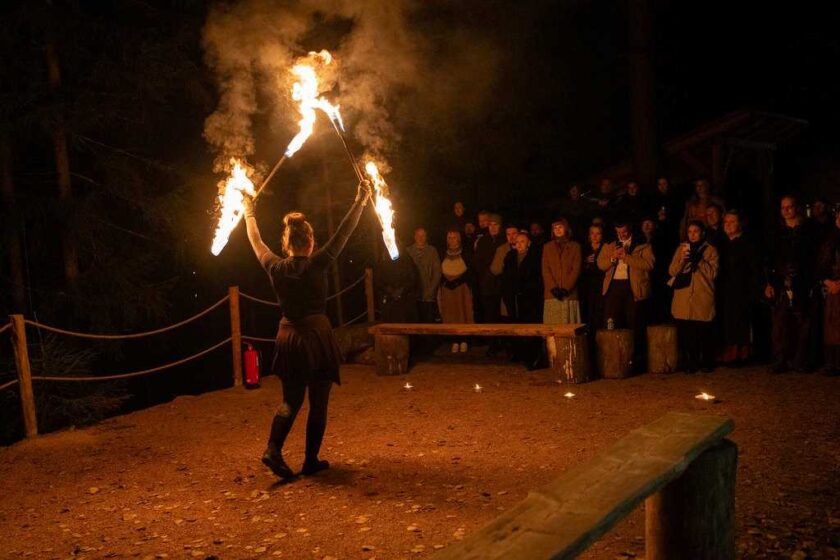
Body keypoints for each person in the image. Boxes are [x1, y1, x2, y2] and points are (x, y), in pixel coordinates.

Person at [242, 180, 372, 480]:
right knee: (319, 401)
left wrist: (248, 211)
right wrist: (360, 200)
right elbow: (344, 233)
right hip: (316, 337)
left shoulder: (275, 266)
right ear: (310, 241)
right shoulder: (318, 263)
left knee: (290, 400)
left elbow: (256, 241)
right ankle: (310, 460)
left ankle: (273, 449)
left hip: (288, 337)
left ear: (286, 243)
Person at [765, 196, 818, 373]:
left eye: (790, 207)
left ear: (797, 208)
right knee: (780, 322)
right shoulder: (777, 233)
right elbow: (770, 258)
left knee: (802, 322)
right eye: (783, 208)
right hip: (782, 281)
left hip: (803, 281)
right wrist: (771, 280)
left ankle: (800, 360)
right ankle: (781, 358)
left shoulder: (809, 230)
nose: (786, 210)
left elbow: (813, 257)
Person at [597, 221, 655, 371]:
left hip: (633, 287)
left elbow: (649, 265)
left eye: (624, 232)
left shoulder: (642, 244)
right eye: (618, 232)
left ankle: (634, 361)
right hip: (614, 286)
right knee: (611, 321)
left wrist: (627, 257)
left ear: (630, 229)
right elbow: (600, 264)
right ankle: (612, 359)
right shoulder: (610, 244)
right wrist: (613, 258)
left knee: (633, 322)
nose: (621, 235)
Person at [668, 221, 719, 373]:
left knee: (702, 332)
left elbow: (713, 273)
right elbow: (672, 271)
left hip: (702, 297)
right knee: (686, 332)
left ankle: (706, 361)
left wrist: (700, 260)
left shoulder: (711, 250)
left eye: (696, 231)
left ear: (702, 233)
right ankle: (690, 362)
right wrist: (683, 260)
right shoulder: (681, 249)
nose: (692, 234)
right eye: (690, 232)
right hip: (684, 297)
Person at [718, 210, 760, 365]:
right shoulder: (722, 244)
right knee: (729, 319)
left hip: (742, 288)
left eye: (732, 222)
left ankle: (742, 353)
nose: (728, 225)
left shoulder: (747, 243)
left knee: (740, 319)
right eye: (726, 222)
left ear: (740, 223)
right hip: (726, 288)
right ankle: (731, 351)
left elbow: (754, 267)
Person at [541, 218, 582, 364]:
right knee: (552, 329)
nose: (557, 230)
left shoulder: (575, 246)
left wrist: (566, 288)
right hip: (552, 295)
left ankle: (571, 360)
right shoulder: (547, 247)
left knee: (568, 328)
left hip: (568, 295)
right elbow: (545, 269)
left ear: (566, 229)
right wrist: (553, 288)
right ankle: (554, 360)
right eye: (555, 228)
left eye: (560, 227)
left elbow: (575, 269)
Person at [503, 231, 545, 368]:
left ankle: (533, 356)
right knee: (516, 325)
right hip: (514, 298)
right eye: (517, 242)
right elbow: (506, 277)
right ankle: (519, 352)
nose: (519, 244)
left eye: (522, 241)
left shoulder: (535, 257)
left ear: (528, 243)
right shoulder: (510, 257)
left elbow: (537, 278)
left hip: (530, 298)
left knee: (530, 327)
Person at [438, 229, 475, 352]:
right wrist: (446, 282)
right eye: (449, 237)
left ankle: (464, 340)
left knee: (462, 313)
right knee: (451, 314)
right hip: (447, 289)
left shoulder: (466, 252)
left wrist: (458, 281)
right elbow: (439, 269)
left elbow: (471, 269)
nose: (452, 239)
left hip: (461, 288)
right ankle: (454, 339)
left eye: (454, 237)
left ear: (459, 238)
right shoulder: (442, 253)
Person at [473, 213, 507, 325]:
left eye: (495, 224)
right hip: (487, 285)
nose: (492, 227)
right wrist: (485, 278)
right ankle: (492, 341)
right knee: (489, 315)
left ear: (500, 226)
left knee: (503, 315)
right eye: (490, 224)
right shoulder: (483, 241)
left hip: (502, 285)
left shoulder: (505, 240)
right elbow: (478, 262)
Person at [817, 210, 840, 376]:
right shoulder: (830, 240)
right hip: (833, 288)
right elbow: (821, 265)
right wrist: (827, 281)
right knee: (832, 325)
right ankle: (833, 363)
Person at [375, 240, 419, 323]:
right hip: (389, 301)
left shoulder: (406, 260)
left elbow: (413, 278)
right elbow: (378, 280)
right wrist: (390, 290)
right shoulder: (383, 261)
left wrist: (401, 290)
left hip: (405, 301)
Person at [580, 223, 606, 353]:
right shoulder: (583, 249)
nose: (595, 236)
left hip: (601, 286)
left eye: (598, 233)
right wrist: (585, 262)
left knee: (599, 316)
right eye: (592, 233)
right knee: (588, 315)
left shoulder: (605, 249)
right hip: (587, 288)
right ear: (589, 235)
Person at [406, 227, 442, 324]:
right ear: (414, 236)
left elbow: (437, 272)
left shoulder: (432, 251)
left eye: (423, 235)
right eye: (418, 235)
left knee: (428, 322)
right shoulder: (408, 251)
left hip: (428, 295)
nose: (420, 238)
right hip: (412, 296)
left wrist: (430, 291)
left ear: (426, 237)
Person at [641, 217, 671, 323]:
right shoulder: (638, 241)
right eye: (645, 223)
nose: (647, 225)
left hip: (658, 276)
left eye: (649, 223)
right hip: (643, 277)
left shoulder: (661, 240)